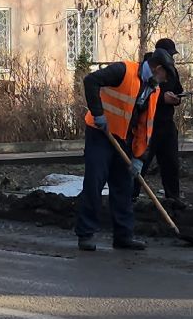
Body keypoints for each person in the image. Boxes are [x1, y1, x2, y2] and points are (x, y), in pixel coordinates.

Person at [74, 51, 170, 252]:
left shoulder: (153, 89)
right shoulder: (124, 70)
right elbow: (90, 81)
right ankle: (86, 234)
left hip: (124, 140)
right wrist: (98, 114)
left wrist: (139, 158)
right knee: (95, 182)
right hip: (101, 134)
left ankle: (123, 236)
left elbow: (145, 127)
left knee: (123, 187)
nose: (165, 80)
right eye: (165, 75)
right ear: (157, 69)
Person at [147, 38, 186, 206]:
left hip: (166, 123)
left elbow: (178, 90)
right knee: (141, 162)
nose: (172, 58)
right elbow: (143, 94)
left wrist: (177, 99)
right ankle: (130, 196)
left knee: (171, 162)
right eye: (169, 54)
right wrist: (162, 98)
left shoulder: (172, 71)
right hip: (149, 124)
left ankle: (173, 198)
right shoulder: (147, 70)